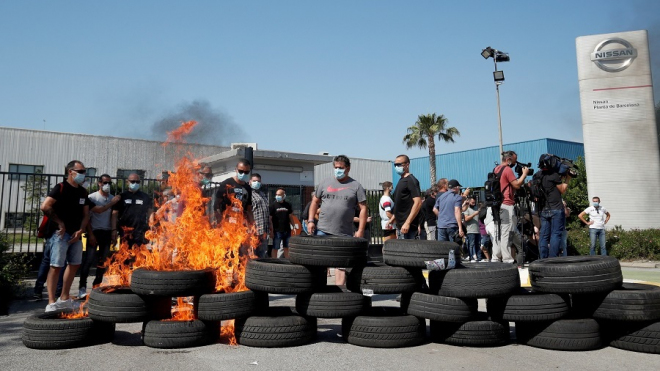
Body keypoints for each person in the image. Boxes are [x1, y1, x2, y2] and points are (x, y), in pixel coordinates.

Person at [307, 155, 367, 286]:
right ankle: (321, 290)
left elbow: (363, 209)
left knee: (341, 265)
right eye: (336, 167)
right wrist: (311, 220)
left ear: (348, 168)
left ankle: (340, 295)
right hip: (323, 230)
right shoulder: (325, 183)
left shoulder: (356, 186)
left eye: (341, 168)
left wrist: (360, 230)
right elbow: (314, 202)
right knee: (320, 263)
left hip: (344, 232)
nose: (338, 170)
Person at [40, 160, 91, 311]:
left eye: (84, 172)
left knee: (74, 264)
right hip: (60, 234)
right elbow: (45, 206)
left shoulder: (82, 192)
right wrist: (60, 223)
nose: (83, 175)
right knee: (56, 266)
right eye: (80, 171)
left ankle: (64, 298)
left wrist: (81, 230)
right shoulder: (60, 187)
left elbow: (86, 215)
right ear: (70, 172)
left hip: (76, 234)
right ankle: (51, 302)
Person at [79, 174, 121, 298]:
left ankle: (96, 285)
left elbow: (114, 215)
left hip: (106, 232)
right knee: (88, 261)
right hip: (94, 231)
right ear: (99, 183)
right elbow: (91, 215)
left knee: (103, 262)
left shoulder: (113, 198)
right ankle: (82, 287)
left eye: (109, 183)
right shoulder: (92, 197)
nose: (106, 185)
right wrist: (90, 234)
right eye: (104, 182)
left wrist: (114, 232)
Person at [489, 151, 529, 263]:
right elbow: (516, 185)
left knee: (498, 231)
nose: (514, 164)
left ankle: (495, 257)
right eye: (514, 161)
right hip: (506, 204)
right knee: (506, 231)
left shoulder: (496, 169)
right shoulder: (507, 170)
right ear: (509, 160)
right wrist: (524, 174)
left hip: (497, 205)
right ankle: (507, 259)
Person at [111, 173, 154, 248]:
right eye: (133, 181)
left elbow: (150, 213)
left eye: (137, 182)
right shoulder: (121, 196)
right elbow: (114, 214)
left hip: (140, 231)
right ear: (127, 182)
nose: (135, 183)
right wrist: (114, 229)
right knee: (124, 254)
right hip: (125, 231)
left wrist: (151, 225)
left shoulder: (145, 197)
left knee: (140, 255)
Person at [537, 166, 571, 258]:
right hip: (556, 208)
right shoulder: (554, 176)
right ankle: (553, 258)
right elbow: (562, 190)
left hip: (543, 209)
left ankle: (543, 258)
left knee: (544, 235)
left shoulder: (538, 175)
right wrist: (567, 179)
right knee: (555, 234)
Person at [391, 155, 422, 239]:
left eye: (399, 164)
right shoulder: (401, 180)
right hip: (400, 226)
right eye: (395, 165)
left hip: (408, 228)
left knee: (409, 251)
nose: (396, 167)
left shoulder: (411, 180)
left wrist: (407, 223)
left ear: (407, 165)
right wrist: (393, 219)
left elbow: (418, 202)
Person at [214, 158, 253, 223]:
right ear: (236, 170)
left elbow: (249, 209)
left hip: (241, 222)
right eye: (241, 171)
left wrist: (252, 224)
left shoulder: (248, 188)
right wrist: (220, 220)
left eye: (246, 172)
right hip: (227, 222)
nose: (243, 174)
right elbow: (216, 205)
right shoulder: (226, 184)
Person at [269, 188, 295, 259]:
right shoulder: (273, 206)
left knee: (286, 247)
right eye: (276, 194)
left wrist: (294, 226)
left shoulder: (288, 205)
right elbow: (270, 219)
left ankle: (287, 261)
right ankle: (274, 261)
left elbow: (290, 217)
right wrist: (271, 230)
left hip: (287, 230)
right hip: (277, 231)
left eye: (279, 195)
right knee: (275, 247)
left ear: (284, 196)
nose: (277, 196)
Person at [250, 173, 270, 258]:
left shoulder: (263, 194)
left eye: (258, 181)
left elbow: (267, 212)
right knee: (252, 253)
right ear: (250, 182)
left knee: (262, 253)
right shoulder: (248, 194)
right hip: (254, 230)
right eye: (254, 181)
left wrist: (271, 226)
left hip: (264, 230)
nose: (256, 183)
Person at [463, 196, 482, 262]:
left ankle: (479, 258)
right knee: (471, 244)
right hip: (470, 230)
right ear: (469, 202)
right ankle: (471, 257)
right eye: (472, 202)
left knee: (478, 244)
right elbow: (466, 219)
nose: (473, 203)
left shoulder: (476, 208)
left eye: (474, 202)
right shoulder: (467, 209)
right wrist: (474, 214)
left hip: (477, 230)